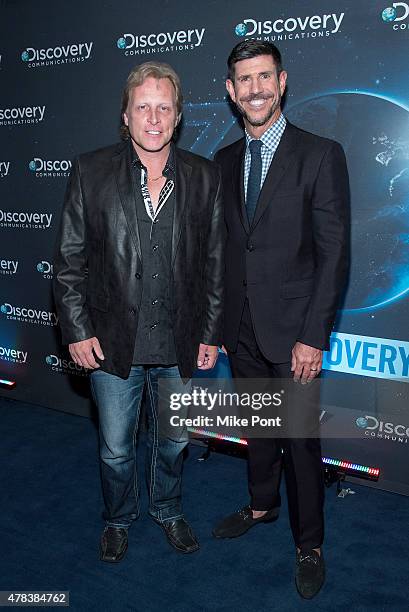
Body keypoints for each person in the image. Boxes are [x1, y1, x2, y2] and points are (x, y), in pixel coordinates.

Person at [53, 61, 224, 562]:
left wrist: (210, 332)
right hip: (110, 344)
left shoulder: (204, 176)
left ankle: (168, 509)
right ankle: (118, 518)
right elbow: (68, 262)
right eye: (142, 107)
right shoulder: (90, 171)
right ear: (124, 116)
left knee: (172, 443)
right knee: (115, 448)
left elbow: (215, 264)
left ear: (178, 116)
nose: (154, 118)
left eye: (163, 107)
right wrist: (77, 331)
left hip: (179, 342)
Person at [213, 40, 350, 599]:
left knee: (299, 439)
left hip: (294, 331)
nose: (255, 89)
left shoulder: (320, 154)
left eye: (264, 76)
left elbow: (334, 252)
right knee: (260, 431)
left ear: (283, 81)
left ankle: (310, 541)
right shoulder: (223, 162)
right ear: (230, 90)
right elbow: (221, 251)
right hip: (241, 329)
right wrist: (216, 326)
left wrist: (311, 336)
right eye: (244, 80)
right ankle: (261, 504)